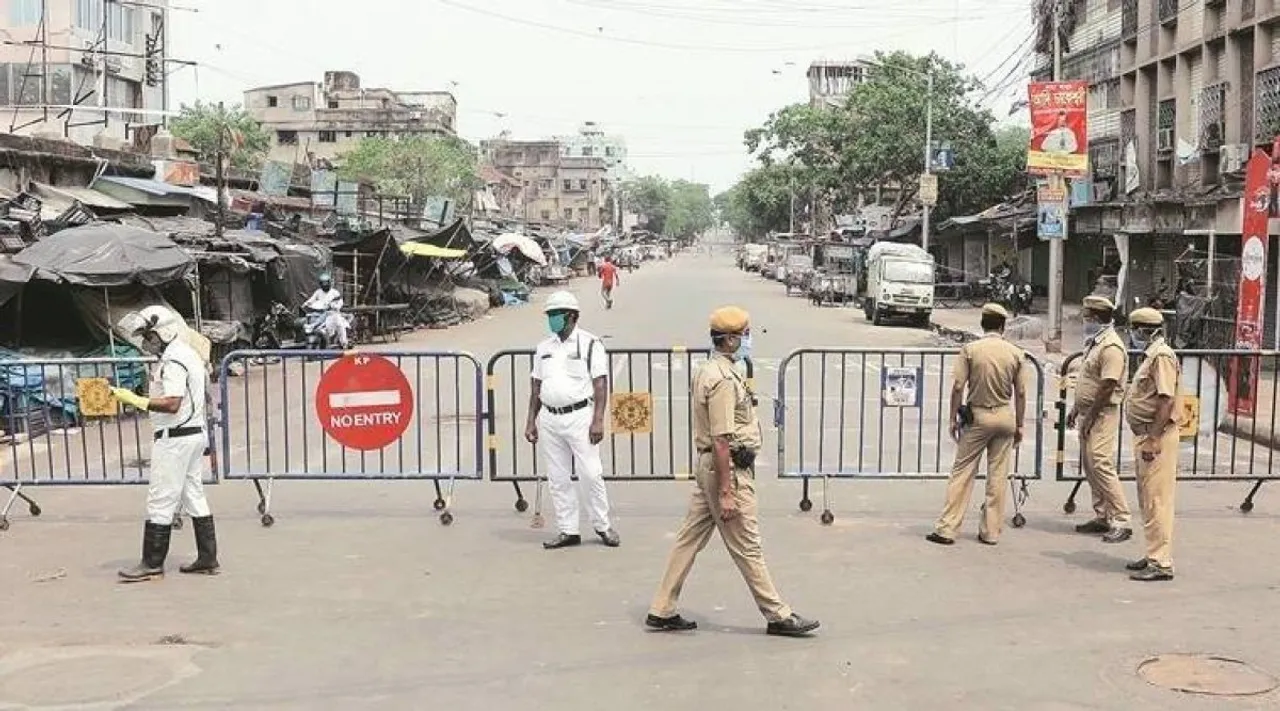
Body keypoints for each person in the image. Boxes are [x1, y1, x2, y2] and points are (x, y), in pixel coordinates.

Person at [646, 306, 819, 637]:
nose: (748, 340)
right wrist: (727, 492)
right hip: (727, 470)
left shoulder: (712, 370)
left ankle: (662, 607)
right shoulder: (723, 380)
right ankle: (777, 614)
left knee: (688, 539)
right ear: (728, 340)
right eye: (744, 335)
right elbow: (722, 438)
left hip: (711, 468)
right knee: (747, 545)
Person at [113, 306, 220, 582]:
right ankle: (208, 558)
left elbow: (172, 402)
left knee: (161, 498)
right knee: (193, 494)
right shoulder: (188, 354)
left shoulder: (173, 359)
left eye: (150, 335)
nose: (147, 342)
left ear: (165, 331)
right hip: (193, 434)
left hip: (176, 438)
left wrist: (135, 400)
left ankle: (152, 562)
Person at [524, 290, 620, 550]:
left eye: (556, 314)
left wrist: (598, 420)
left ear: (572, 316)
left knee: (591, 473)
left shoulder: (590, 344)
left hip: (579, 417)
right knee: (558, 477)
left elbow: (600, 384)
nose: (552, 319)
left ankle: (602, 525)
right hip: (550, 418)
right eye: (550, 314)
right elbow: (536, 386)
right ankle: (569, 529)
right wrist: (531, 421)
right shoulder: (543, 348)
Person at [928, 303, 1026, 546]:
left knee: (962, 472)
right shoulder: (1015, 353)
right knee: (998, 476)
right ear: (1003, 326)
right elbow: (1021, 391)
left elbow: (958, 387)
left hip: (978, 416)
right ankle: (991, 531)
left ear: (983, 324)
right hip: (1005, 416)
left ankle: (948, 528)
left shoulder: (970, 350)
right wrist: (1020, 425)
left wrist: (952, 417)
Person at [1067, 295, 1132, 543]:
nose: (1084, 320)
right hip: (1088, 411)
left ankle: (1121, 519)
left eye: (1086, 316)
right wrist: (1077, 408)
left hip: (1102, 413)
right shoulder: (1096, 342)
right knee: (1090, 465)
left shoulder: (1111, 347)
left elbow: (1107, 385)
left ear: (1095, 318)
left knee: (1101, 464)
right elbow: (1090, 381)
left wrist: (1092, 414)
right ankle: (1102, 515)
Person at [1123, 307, 1181, 582]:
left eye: (1134, 329)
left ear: (1144, 330)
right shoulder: (1152, 355)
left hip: (1156, 437)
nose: (1132, 335)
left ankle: (1161, 562)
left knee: (1157, 499)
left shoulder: (1161, 357)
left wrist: (1154, 438)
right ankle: (1152, 553)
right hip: (1146, 434)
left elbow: (1166, 400)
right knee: (1148, 498)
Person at [302, 272, 349, 349]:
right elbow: (312, 299)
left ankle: (344, 343)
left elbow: (340, 302)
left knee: (340, 325)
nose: (324, 285)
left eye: (326, 283)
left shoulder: (335, 292)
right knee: (311, 318)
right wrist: (306, 304)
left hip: (333, 314)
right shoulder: (318, 292)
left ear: (329, 283)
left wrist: (335, 306)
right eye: (323, 283)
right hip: (320, 313)